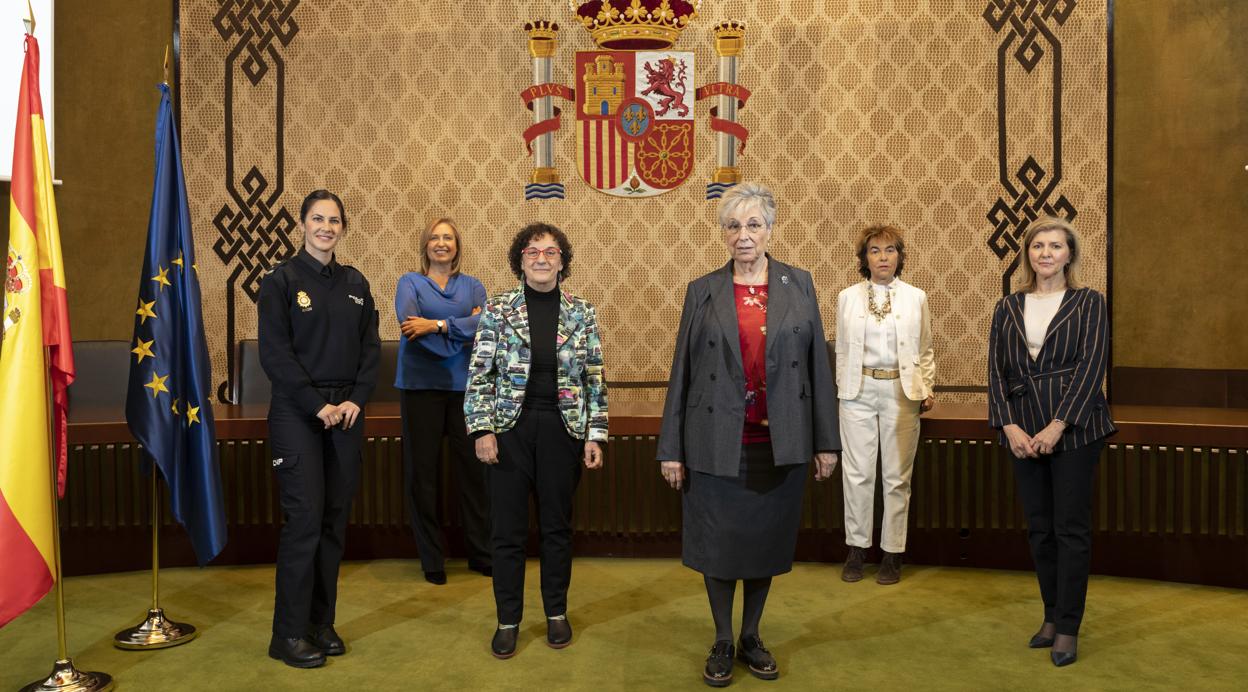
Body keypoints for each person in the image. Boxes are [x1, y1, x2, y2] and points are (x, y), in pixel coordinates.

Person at [656, 183, 840, 687]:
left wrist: (827, 441)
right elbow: (683, 372)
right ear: (722, 233)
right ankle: (721, 637)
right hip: (715, 441)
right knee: (718, 545)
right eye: (733, 225)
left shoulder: (799, 284)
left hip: (780, 442)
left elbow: (817, 372)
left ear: (770, 229)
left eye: (753, 224)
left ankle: (752, 635)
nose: (743, 235)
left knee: (764, 544)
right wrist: (671, 449)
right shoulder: (703, 290)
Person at [464, 222, 608, 659]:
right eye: (533, 251)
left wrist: (594, 434)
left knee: (557, 529)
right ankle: (507, 620)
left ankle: (556, 614)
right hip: (510, 431)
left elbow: (594, 379)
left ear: (563, 262)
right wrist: (482, 428)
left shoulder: (582, 312)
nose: (542, 258)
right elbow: (479, 374)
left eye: (551, 252)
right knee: (506, 531)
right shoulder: (497, 309)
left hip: (563, 432)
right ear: (520, 260)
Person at [258, 189, 380, 668]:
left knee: (333, 522)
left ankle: (320, 623)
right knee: (304, 521)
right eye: (317, 219)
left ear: (342, 228)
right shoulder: (281, 281)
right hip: (298, 414)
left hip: (347, 413)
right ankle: (286, 634)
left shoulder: (355, 282)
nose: (326, 227)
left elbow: (371, 349)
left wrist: (354, 400)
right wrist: (316, 406)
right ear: (302, 225)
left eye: (333, 220)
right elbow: (275, 355)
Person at [987, 216, 1115, 667]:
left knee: (1070, 531)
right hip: (1022, 431)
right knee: (1040, 529)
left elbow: (1092, 367)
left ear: (1069, 254)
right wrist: (1009, 426)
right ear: (1028, 254)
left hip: (1076, 429)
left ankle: (1068, 627)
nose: (1045, 253)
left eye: (1055, 246)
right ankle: (1049, 616)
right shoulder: (1007, 307)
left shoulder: (1089, 302)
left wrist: (1058, 425)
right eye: (1038, 245)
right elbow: (996, 372)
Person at [834, 225, 935, 585]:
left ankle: (893, 552)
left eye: (890, 250)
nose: (883, 257)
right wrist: (842, 388)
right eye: (875, 251)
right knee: (858, 474)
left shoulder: (915, 297)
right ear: (864, 258)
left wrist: (926, 386)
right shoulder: (847, 297)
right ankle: (857, 550)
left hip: (900, 391)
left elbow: (924, 349)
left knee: (896, 477)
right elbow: (843, 349)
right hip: (858, 392)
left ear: (900, 256)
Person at [395, 217, 491, 585]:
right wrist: (460, 330)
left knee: (475, 474)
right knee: (424, 476)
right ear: (425, 245)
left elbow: (486, 325)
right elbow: (408, 326)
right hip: (420, 388)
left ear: (457, 245)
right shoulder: (410, 282)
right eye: (434, 237)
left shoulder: (473, 285)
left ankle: (481, 553)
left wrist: (437, 326)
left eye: (448, 237)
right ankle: (431, 559)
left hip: (465, 390)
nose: (441, 243)